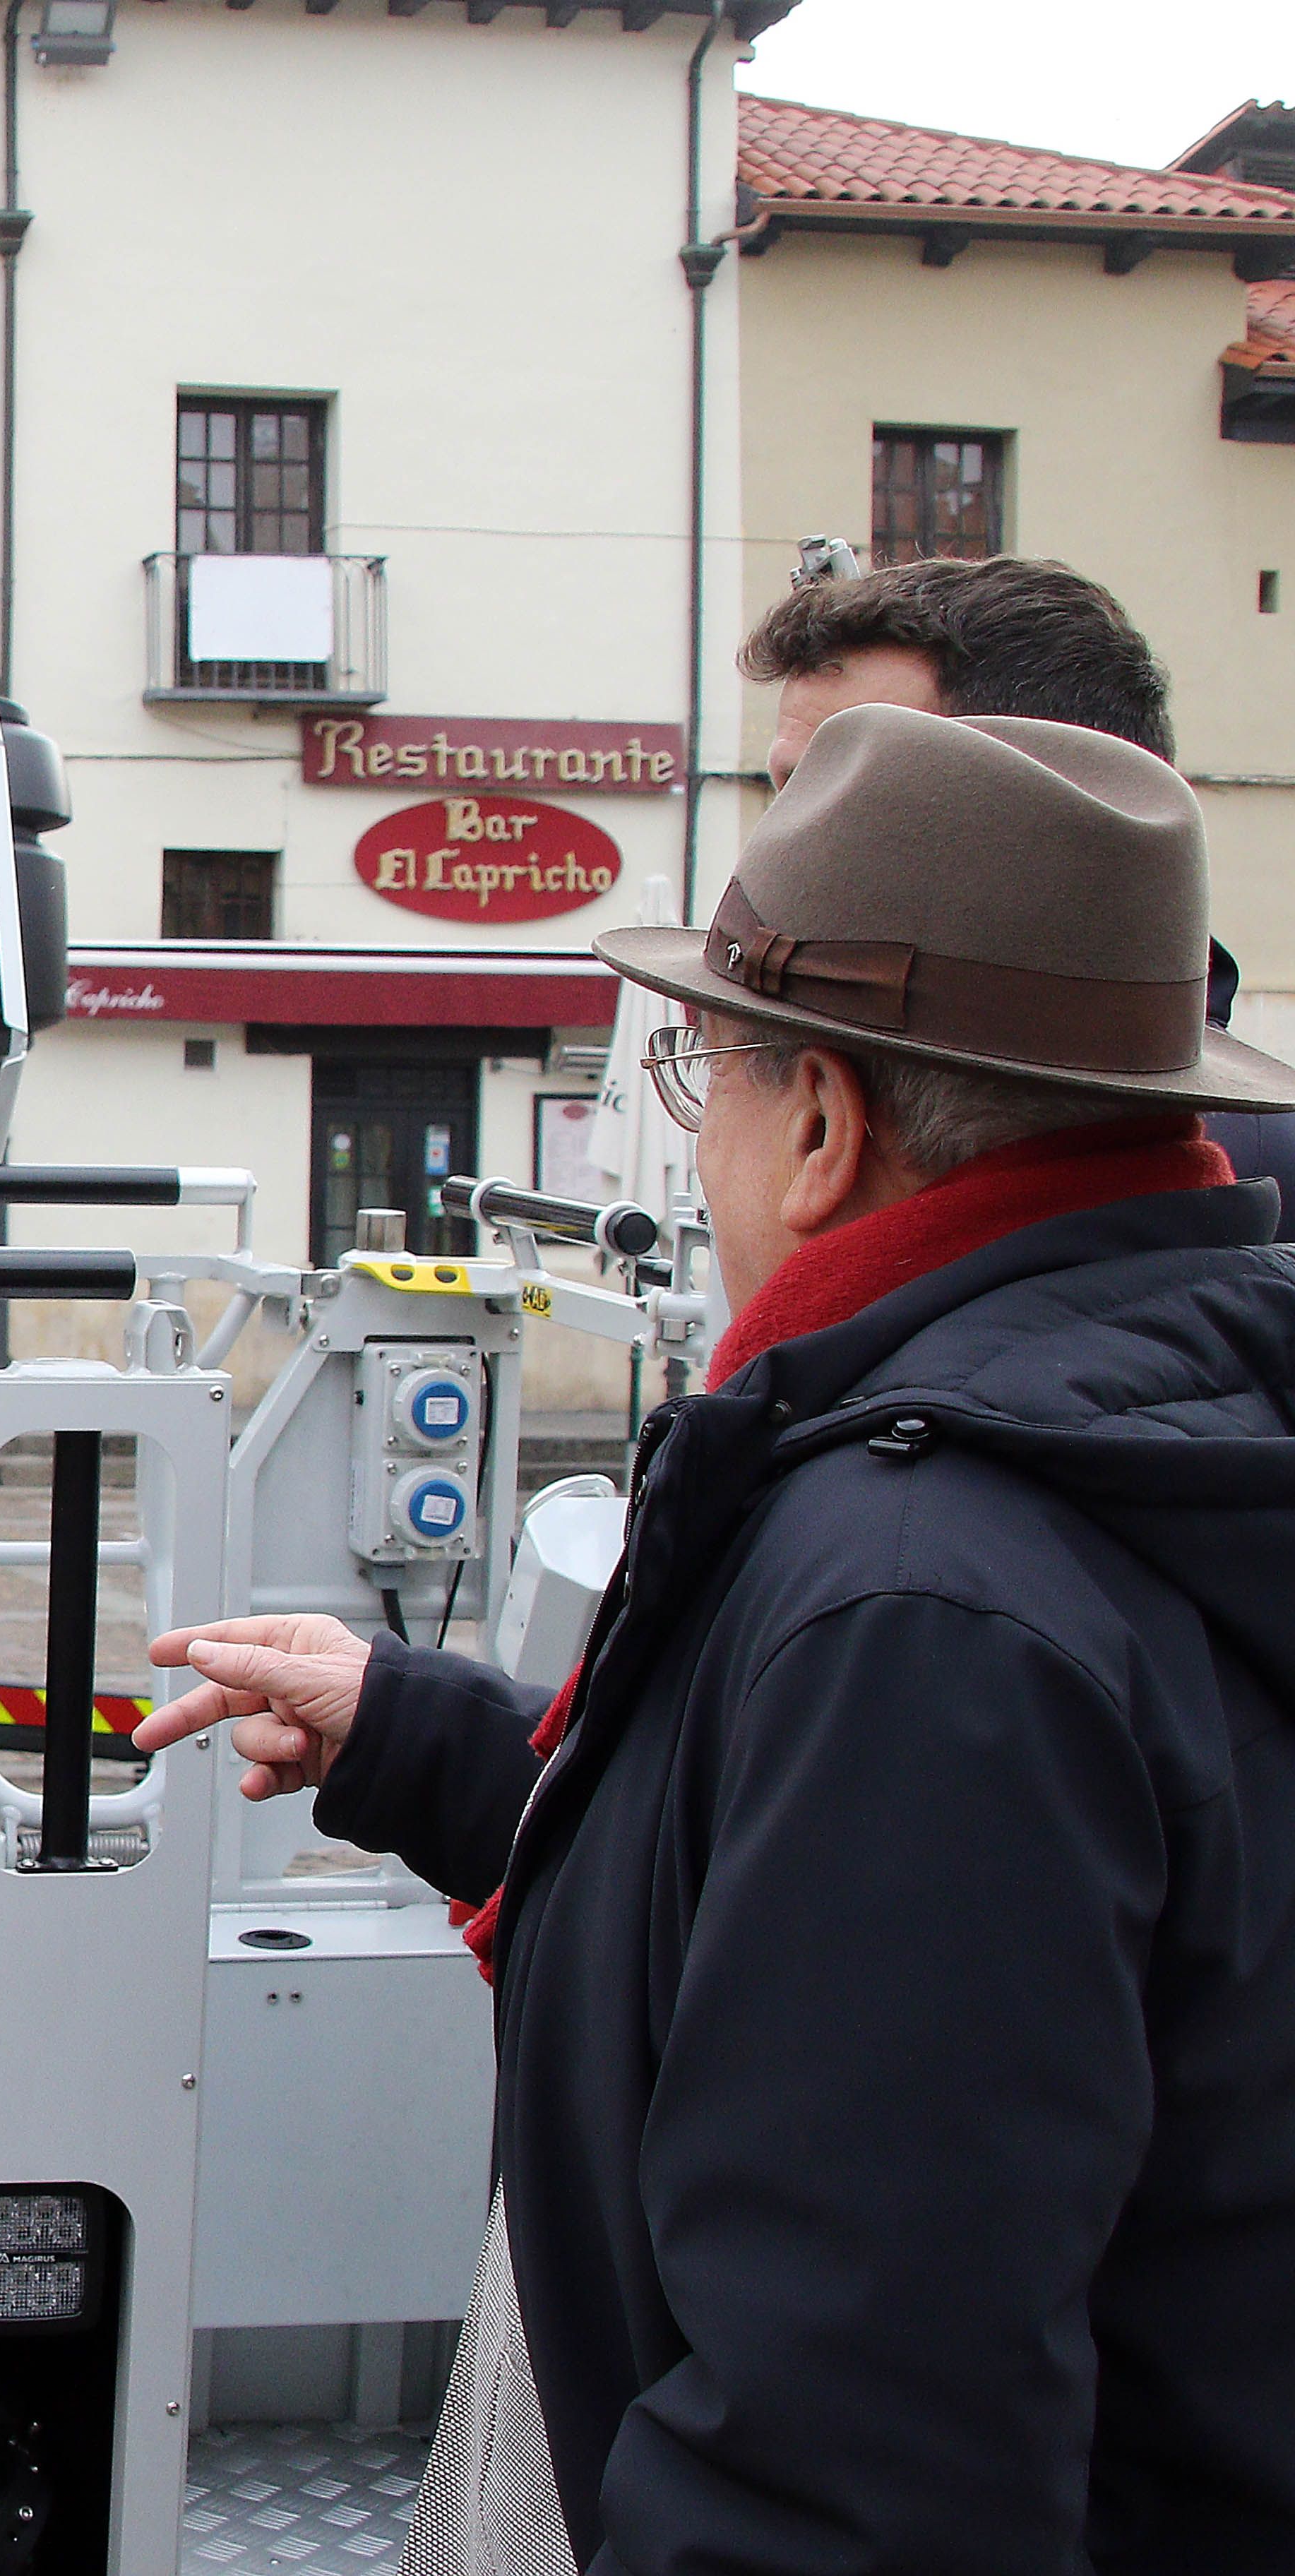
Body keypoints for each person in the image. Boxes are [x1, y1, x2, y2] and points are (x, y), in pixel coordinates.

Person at [140, 705, 1295, 2573]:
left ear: (825, 1122)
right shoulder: (1151, 1455)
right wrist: (429, 1742)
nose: (701, 1147)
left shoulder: (924, 1608)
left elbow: (850, 2457)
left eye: (705, 1081)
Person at [739, 549, 1295, 1200]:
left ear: (1046, 807)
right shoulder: (799, 1088)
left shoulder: (1238, 1167)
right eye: (788, 793)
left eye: (846, 793)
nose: (781, 841)